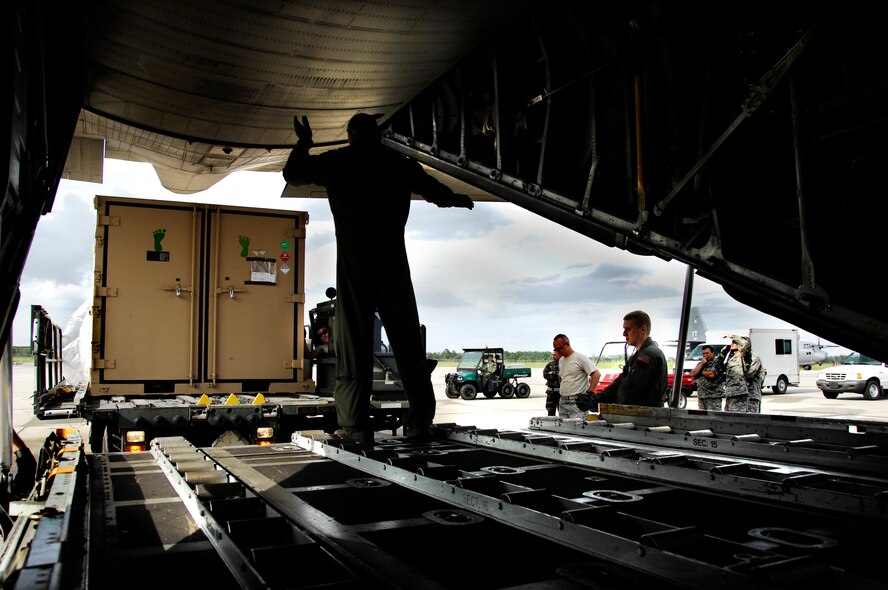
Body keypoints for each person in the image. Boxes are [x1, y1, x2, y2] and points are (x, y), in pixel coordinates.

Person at [283, 112, 474, 443]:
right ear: (380, 135)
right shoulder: (398, 163)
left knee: (353, 346)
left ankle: (355, 427)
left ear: (350, 136)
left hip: (354, 266)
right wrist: (457, 200)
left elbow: (294, 173)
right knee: (407, 344)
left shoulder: (337, 162)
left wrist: (304, 143)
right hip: (392, 265)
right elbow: (435, 192)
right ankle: (419, 422)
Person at [593, 310, 667, 407]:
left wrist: (608, 404)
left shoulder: (648, 355)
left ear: (643, 329)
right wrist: (595, 400)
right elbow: (618, 383)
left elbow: (628, 392)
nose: (624, 334)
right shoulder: (637, 356)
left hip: (644, 417)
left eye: (628, 329)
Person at [552, 334, 600, 419]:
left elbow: (596, 374)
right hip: (563, 401)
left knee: (577, 428)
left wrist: (589, 393)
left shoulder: (580, 358)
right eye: (555, 349)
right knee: (563, 429)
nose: (557, 351)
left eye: (559, 348)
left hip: (576, 403)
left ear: (567, 344)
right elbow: (562, 378)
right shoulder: (561, 361)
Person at [717, 335, 763, 413]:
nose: (732, 343)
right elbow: (718, 369)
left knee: (748, 420)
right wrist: (723, 354)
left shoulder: (753, 358)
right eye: (732, 342)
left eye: (735, 342)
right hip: (732, 394)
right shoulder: (732, 359)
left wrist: (733, 336)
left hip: (750, 395)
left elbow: (749, 375)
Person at [690, 344, 723, 411]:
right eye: (703, 353)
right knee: (702, 417)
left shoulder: (717, 363)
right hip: (702, 396)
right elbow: (693, 373)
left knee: (714, 417)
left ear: (712, 352)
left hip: (713, 397)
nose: (705, 355)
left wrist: (701, 371)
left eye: (707, 353)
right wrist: (701, 364)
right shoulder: (701, 364)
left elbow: (712, 375)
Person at [543, 350, 561, 416]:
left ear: (560, 355)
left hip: (560, 393)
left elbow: (564, 376)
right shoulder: (550, 365)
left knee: (562, 413)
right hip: (551, 393)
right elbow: (545, 375)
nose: (553, 356)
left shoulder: (564, 364)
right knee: (550, 412)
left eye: (555, 355)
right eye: (552, 355)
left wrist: (553, 374)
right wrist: (556, 375)